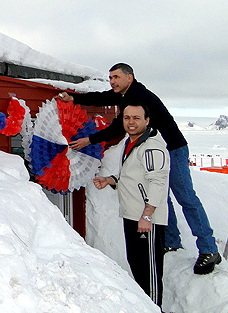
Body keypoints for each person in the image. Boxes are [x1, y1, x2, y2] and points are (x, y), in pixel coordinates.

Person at [58, 63, 221, 275]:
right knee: (162, 197)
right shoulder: (126, 95)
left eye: (116, 77)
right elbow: (105, 97)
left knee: (186, 198)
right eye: (110, 77)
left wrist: (89, 139)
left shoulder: (139, 98)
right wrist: (74, 98)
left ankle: (209, 249)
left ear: (130, 78)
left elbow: (118, 127)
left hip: (173, 149)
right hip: (154, 150)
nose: (113, 81)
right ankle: (171, 242)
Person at [94, 102, 169, 309]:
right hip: (133, 217)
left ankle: (155, 309)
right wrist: (110, 180)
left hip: (146, 220)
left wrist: (147, 216)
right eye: (127, 118)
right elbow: (134, 176)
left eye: (136, 118)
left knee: (150, 273)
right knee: (137, 266)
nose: (131, 122)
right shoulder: (132, 142)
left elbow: (158, 182)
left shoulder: (152, 147)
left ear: (147, 120)